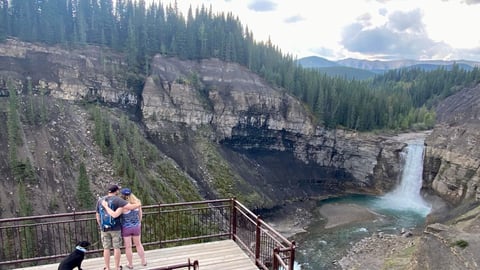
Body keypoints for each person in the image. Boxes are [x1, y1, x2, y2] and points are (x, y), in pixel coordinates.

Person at [96, 184, 140, 270]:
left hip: (104, 228)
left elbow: (97, 215)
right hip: (115, 228)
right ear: (116, 191)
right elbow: (131, 207)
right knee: (116, 247)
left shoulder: (100, 200)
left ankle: (107, 267)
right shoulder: (118, 200)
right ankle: (117, 267)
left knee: (106, 248)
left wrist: (100, 225)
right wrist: (138, 204)